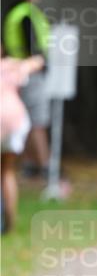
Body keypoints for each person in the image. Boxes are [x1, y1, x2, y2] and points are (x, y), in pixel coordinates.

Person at [3, 0, 51, 179]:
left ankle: (29, 165)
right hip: (29, 73)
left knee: (27, 121)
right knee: (37, 122)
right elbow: (33, 49)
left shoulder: (15, 12)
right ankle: (46, 168)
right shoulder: (27, 14)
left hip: (15, 73)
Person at [1, 51, 45, 233]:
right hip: (14, 120)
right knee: (7, 171)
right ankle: (9, 222)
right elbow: (37, 62)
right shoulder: (10, 66)